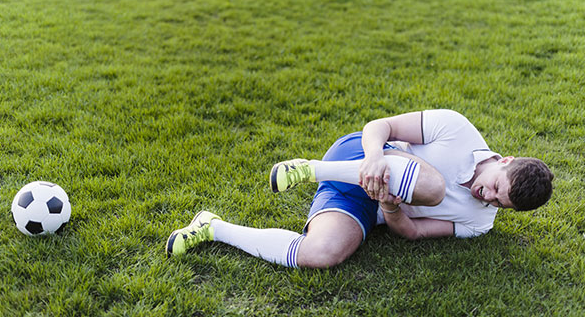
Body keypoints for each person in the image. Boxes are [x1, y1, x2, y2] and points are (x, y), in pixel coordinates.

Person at [165, 109, 554, 268]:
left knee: (322, 254)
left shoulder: (480, 223)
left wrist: (389, 206)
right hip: (361, 157)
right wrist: (373, 158)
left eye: (498, 204)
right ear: (504, 161)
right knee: (433, 188)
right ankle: (310, 169)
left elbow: (413, 232)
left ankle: (212, 226)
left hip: (377, 201)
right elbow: (378, 126)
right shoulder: (457, 127)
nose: (485, 198)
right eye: (493, 188)